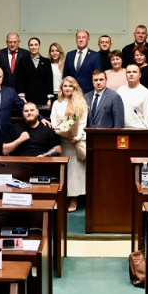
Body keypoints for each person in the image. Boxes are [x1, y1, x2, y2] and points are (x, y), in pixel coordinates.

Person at [50, 77, 88, 212]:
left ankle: (74, 199)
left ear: (75, 88)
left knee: (75, 170)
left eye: (70, 86)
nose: (67, 88)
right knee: (63, 170)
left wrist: (77, 137)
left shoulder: (81, 103)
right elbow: (53, 120)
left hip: (74, 142)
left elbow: (83, 123)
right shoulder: (57, 103)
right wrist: (58, 129)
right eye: (65, 86)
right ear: (61, 88)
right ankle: (63, 197)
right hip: (61, 141)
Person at [15, 37, 54, 108]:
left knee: (43, 118)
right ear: (28, 47)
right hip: (27, 98)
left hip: (43, 98)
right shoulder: (23, 61)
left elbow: (49, 80)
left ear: (39, 46)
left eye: (36, 45)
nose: (33, 47)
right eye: (31, 45)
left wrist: (49, 98)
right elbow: (20, 80)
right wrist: (22, 96)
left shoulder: (46, 61)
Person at [117, 64, 148, 129]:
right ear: (125, 75)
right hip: (121, 131)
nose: (131, 74)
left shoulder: (145, 93)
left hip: (138, 132)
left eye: (134, 72)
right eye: (129, 72)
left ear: (140, 75)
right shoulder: (120, 90)